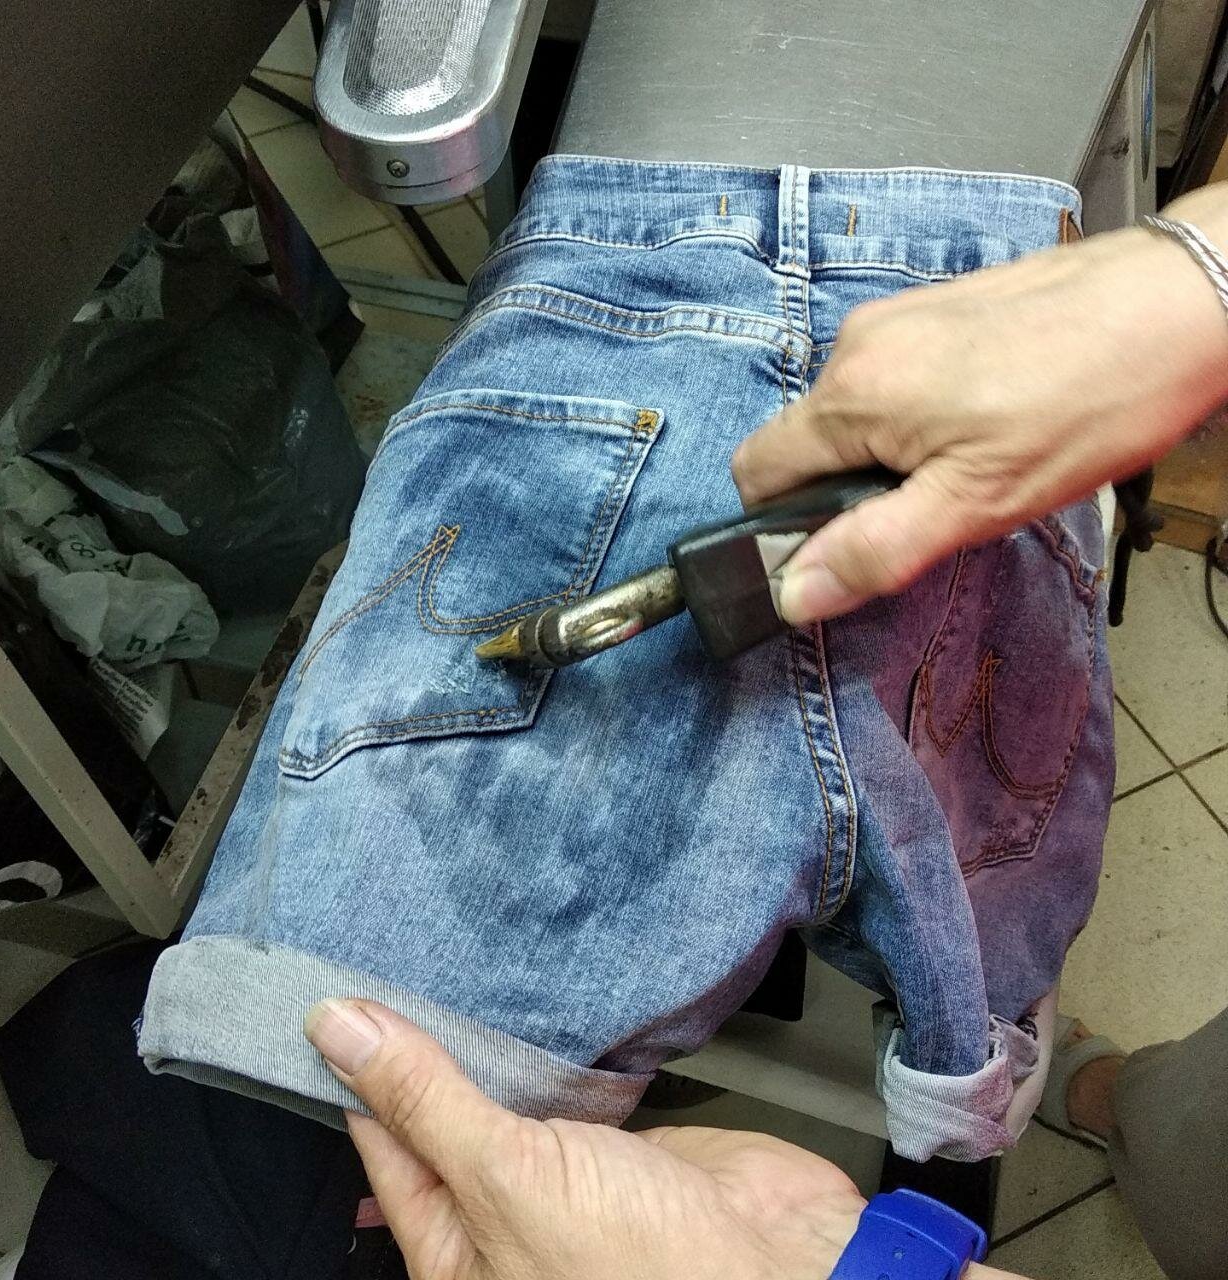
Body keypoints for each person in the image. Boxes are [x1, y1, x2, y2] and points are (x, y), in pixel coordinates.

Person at [303, 178, 1228, 1280]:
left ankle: (1113, 1101)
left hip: (641, 293)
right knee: (1191, 1133)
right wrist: (1201, 276)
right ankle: (1124, 1100)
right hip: (902, 333)